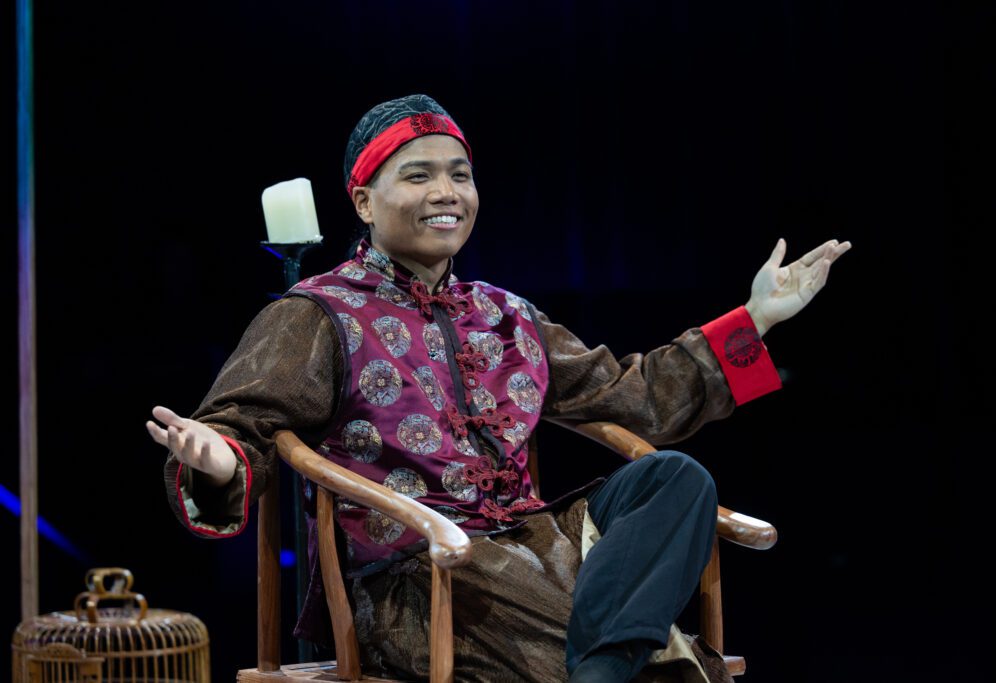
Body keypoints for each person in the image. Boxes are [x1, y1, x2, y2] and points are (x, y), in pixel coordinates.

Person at [147, 94, 851, 683]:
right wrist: (217, 456)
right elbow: (242, 422)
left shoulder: (506, 315)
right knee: (665, 659)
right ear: (364, 200)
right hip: (421, 573)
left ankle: (609, 656)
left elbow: (636, 395)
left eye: (460, 174)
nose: (447, 192)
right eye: (418, 176)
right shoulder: (317, 311)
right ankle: (626, 655)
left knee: (677, 480)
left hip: (534, 543)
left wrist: (757, 316)